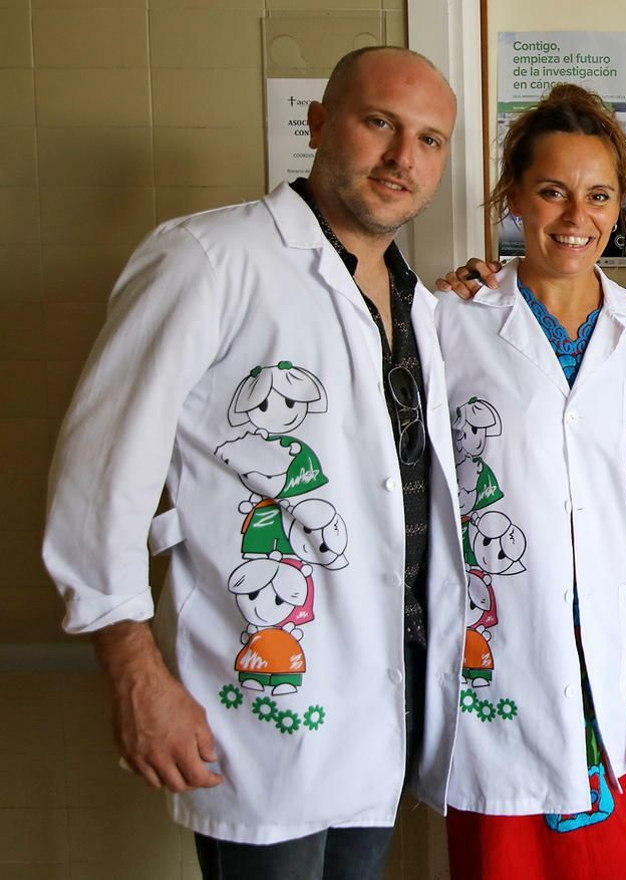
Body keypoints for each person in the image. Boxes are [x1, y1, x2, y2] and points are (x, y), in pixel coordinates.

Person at [41, 46, 470, 879]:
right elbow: (99, 475)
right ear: (317, 123)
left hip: (380, 703)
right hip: (260, 709)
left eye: (428, 140)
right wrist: (133, 671)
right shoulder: (209, 259)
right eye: (379, 123)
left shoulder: (415, 299)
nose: (402, 159)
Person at [430, 83, 626, 880]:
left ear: (621, 205)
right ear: (513, 197)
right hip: (500, 630)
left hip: (607, 634)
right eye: (552, 191)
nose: (576, 217)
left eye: (599, 195)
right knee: (504, 854)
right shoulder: (451, 317)